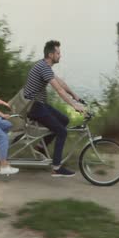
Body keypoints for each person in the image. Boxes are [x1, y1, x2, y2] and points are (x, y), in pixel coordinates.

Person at [23, 40, 86, 177]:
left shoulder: (44, 65)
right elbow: (58, 90)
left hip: (38, 104)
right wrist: (74, 105)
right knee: (62, 132)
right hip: (33, 107)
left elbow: (60, 82)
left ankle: (40, 147)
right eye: (58, 53)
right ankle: (56, 167)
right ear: (51, 55)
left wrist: (74, 95)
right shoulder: (43, 67)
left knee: (64, 120)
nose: (60, 55)